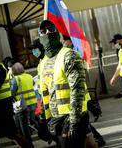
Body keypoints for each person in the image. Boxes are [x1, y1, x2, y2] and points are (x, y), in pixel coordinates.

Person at [38, 19, 92, 148]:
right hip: (55, 119)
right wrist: (43, 119)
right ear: (40, 36)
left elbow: (77, 90)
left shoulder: (69, 55)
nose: (47, 33)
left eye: (51, 29)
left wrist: (73, 121)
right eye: (43, 31)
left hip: (72, 117)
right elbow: (45, 93)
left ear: (58, 33)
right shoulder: (43, 62)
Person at [10, 62, 37, 148]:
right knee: (31, 123)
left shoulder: (16, 79)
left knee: (24, 128)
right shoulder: (29, 76)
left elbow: (11, 93)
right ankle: (43, 134)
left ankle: (29, 145)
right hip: (32, 103)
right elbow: (32, 85)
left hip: (22, 106)